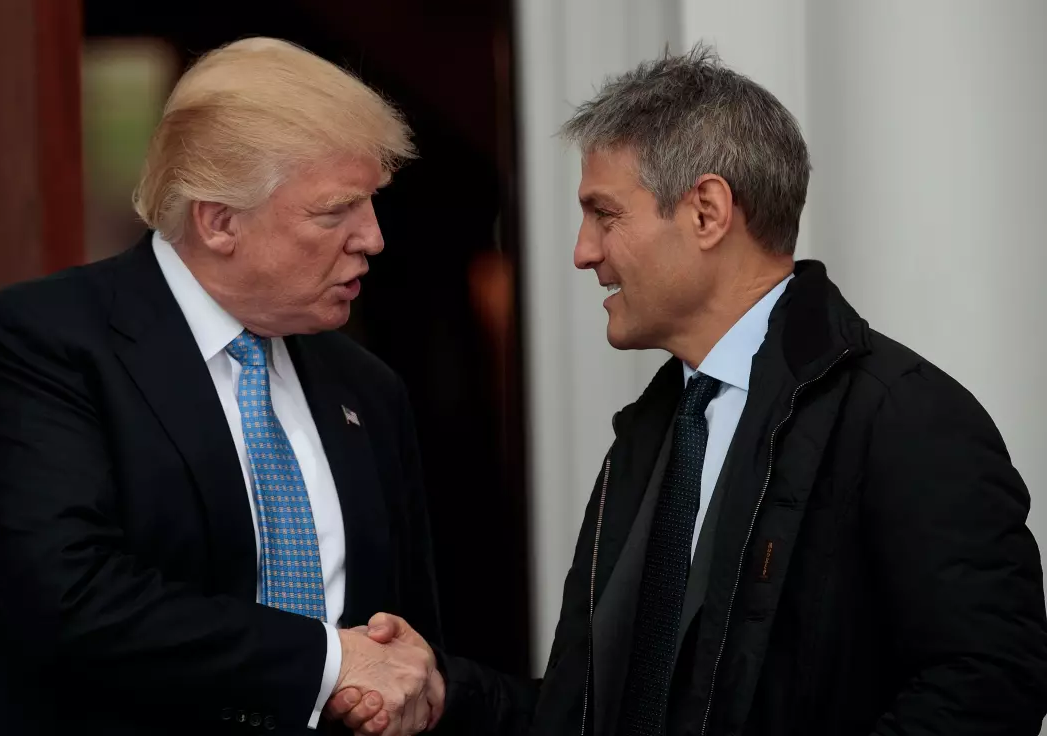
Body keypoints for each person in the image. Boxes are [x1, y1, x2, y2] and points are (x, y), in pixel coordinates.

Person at [339, 46, 1047, 736]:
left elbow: (989, 687)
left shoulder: (905, 414)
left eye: (605, 214)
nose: (583, 251)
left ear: (707, 211)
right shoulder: (657, 432)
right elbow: (600, 710)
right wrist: (445, 692)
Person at [0, 37, 445, 736]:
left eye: (373, 205)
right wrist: (328, 661)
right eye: (336, 212)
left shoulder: (368, 389)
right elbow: (71, 598)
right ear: (219, 220)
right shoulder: (38, 345)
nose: (373, 238)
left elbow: (401, 642)